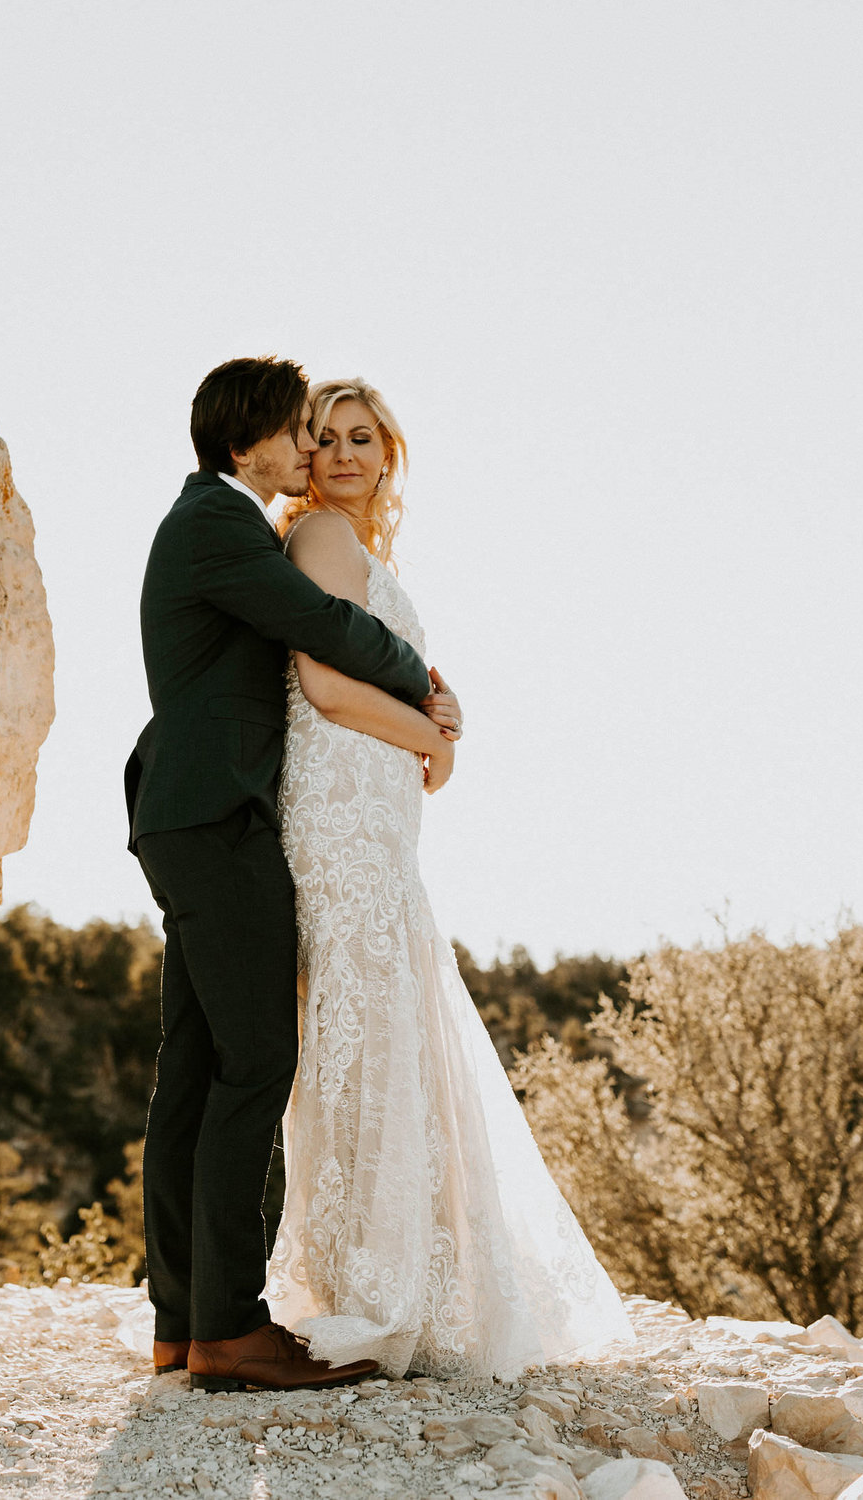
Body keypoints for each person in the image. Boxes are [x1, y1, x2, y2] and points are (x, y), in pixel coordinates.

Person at [265, 377, 632, 1381]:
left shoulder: (359, 549)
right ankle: (365, 1283)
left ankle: (398, 1277)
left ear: (388, 450)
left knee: (384, 1024)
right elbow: (324, 682)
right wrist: (431, 734)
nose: (342, 454)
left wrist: (437, 696)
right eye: (325, 438)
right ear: (306, 453)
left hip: (375, 816)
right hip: (339, 813)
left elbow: (375, 663)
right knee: (359, 1029)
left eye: (360, 437)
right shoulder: (318, 538)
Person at [125, 356, 462, 1392]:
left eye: (341, 436)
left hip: (200, 809)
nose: (312, 449)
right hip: (218, 814)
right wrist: (433, 694)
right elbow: (321, 636)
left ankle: (183, 1319)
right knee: (255, 1059)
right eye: (299, 431)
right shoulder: (220, 524)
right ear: (248, 443)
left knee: (194, 1067)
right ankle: (226, 1323)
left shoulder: (218, 521)